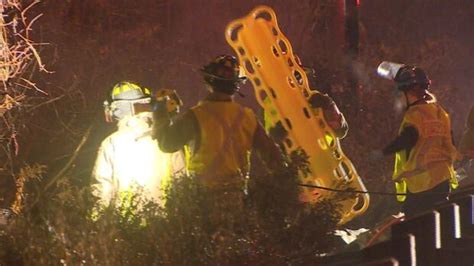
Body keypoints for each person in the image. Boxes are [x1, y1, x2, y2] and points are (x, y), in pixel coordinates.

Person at [152, 55, 283, 212]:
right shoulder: (247, 117)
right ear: (236, 84)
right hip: (237, 202)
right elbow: (274, 159)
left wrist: (159, 110)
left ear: (209, 81)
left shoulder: (196, 115)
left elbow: (167, 144)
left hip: (202, 204)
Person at [376, 62, 459, 217]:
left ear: (410, 91)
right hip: (442, 180)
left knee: (417, 229)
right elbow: (450, 143)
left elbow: (407, 140)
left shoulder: (415, 115)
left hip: (421, 185)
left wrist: (380, 153)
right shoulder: (440, 113)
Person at [92, 81, 185, 209]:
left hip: (126, 226)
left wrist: (97, 225)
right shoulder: (166, 138)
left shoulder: (111, 143)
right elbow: (182, 181)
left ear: (116, 109)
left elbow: (102, 190)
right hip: (166, 225)